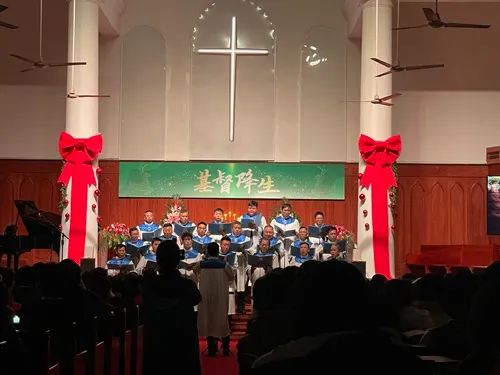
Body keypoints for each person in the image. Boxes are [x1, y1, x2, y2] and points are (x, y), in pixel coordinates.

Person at [142, 240, 201, 375]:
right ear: (178, 260)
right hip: (182, 341)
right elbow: (196, 298)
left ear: (158, 260)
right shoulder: (186, 285)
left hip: (158, 340)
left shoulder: (151, 284)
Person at [197, 242, 235, 357]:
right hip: (220, 296)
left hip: (206, 295)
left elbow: (195, 272)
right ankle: (226, 349)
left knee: (209, 319)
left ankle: (212, 349)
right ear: (217, 251)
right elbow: (231, 277)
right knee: (222, 319)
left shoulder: (201, 264)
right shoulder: (224, 264)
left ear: (208, 251)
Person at [229, 222, 252, 313]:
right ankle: (231, 306)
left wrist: (244, 250)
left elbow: (250, 250)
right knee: (231, 285)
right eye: (235, 227)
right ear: (232, 228)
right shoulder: (228, 238)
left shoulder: (246, 239)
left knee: (241, 286)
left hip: (242, 265)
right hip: (231, 265)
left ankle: (240, 307)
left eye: (239, 227)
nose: (237, 229)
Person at [219, 236, 237, 316]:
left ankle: (229, 324)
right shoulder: (216, 254)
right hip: (218, 282)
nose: (226, 247)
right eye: (224, 245)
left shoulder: (233, 255)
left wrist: (227, 265)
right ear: (220, 244)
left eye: (228, 245)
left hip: (229, 282)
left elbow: (235, 268)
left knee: (229, 307)